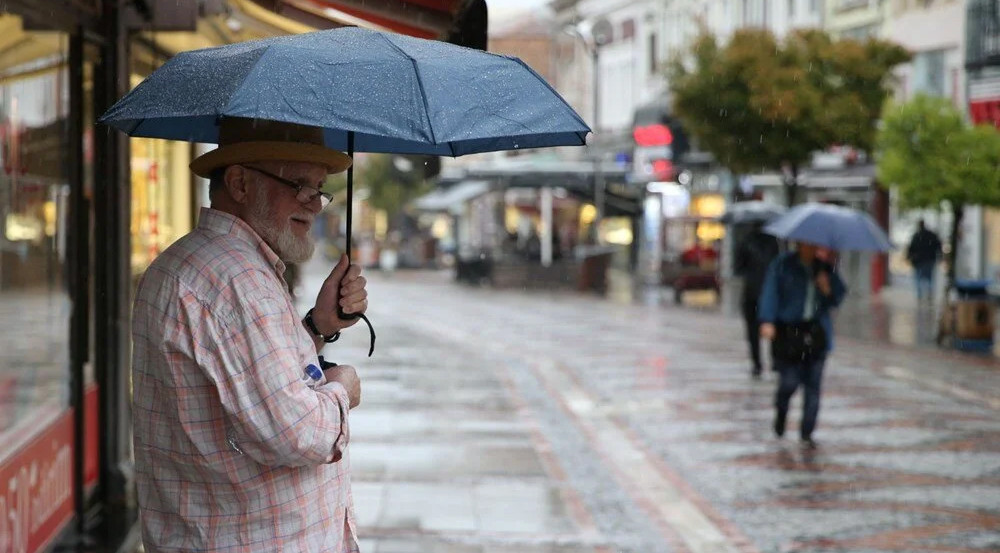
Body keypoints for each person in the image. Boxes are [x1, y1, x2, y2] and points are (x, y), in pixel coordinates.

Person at [131, 118, 369, 553]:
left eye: (319, 188)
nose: (314, 204)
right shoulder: (238, 280)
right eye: (299, 184)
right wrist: (342, 390)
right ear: (239, 183)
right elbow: (296, 433)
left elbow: (243, 383)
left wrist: (319, 325)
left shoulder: (192, 261)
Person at [758, 241, 846, 449]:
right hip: (788, 333)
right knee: (789, 383)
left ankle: (807, 432)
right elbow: (770, 292)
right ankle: (781, 412)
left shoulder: (824, 268)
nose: (811, 247)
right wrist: (767, 320)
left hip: (816, 333)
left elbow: (838, 296)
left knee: (813, 385)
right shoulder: (782, 264)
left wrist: (827, 289)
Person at [733, 223, 780, 378]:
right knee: (773, 327)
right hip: (770, 290)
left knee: (753, 331)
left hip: (752, 292)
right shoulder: (773, 242)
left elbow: (738, 268)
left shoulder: (746, 241)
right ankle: (775, 362)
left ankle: (757, 364)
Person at [906, 219, 942, 302]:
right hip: (930, 260)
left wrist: (909, 257)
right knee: (929, 278)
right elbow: (938, 246)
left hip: (918, 261)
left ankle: (920, 296)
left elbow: (911, 248)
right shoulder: (931, 235)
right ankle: (929, 293)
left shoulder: (916, 236)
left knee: (918, 279)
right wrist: (939, 257)